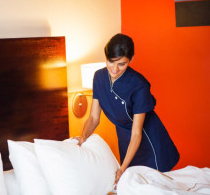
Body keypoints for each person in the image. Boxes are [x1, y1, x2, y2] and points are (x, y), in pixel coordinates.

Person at [74, 33, 179, 184]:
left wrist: (123, 168)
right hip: (126, 140)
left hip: (149, 141)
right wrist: (83, 137)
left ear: (131, 59)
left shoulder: (139, 85)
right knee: (133, 186)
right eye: (111, 61)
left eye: (122, 64)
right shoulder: (99, 77)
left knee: (154, 187)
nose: (115, 69)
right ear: (106, 56)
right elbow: (94, 117)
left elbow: (137, 133)